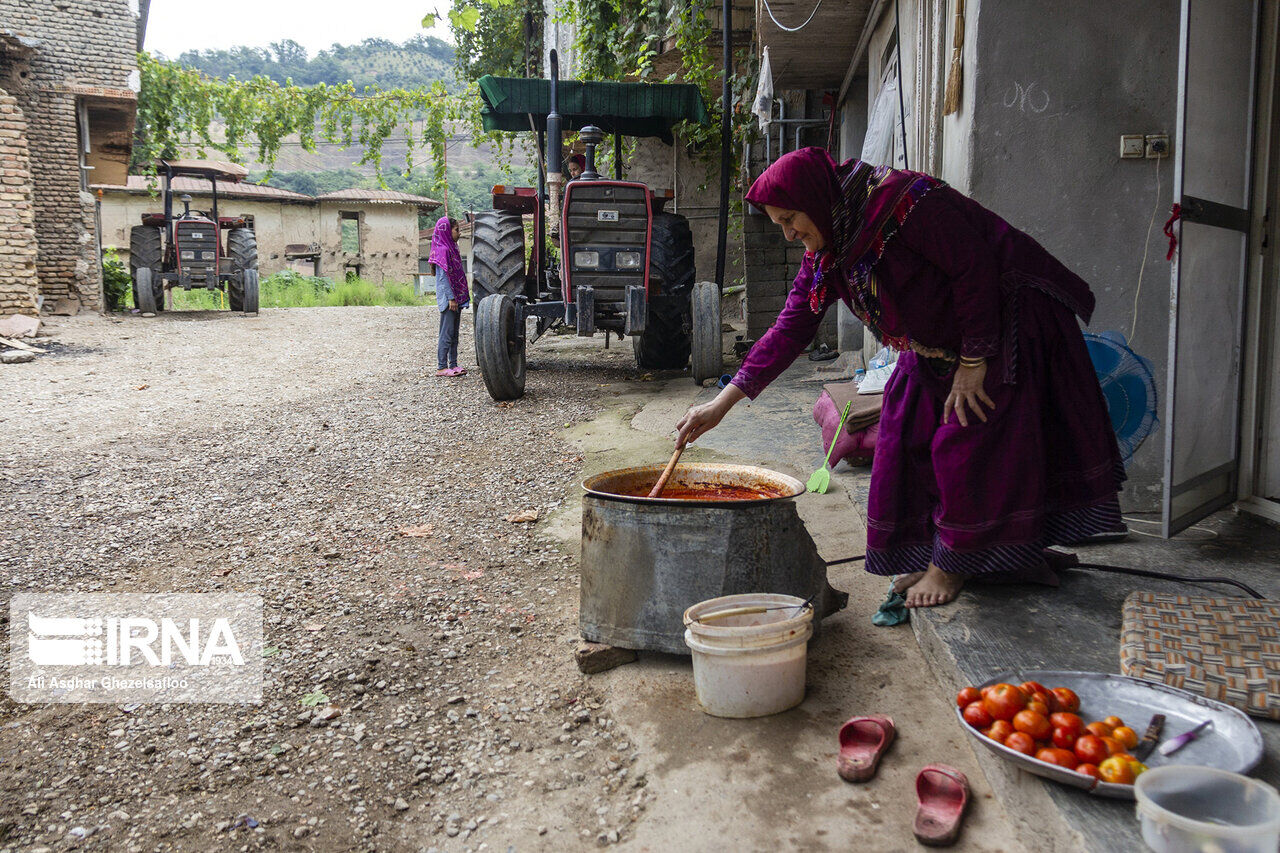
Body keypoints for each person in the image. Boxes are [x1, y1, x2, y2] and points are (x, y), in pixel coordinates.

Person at [676, 148, 1125, 609]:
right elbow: (792, 325)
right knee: (902, 430)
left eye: (791, 218)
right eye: (780, 225)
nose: (791, 234)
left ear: (816, 196)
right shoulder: (832, 243)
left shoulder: (905, 203)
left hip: (1006, 317)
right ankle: (956, 550)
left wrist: (974, 361)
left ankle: (952, 563)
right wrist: (720, 405)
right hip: (936, 342)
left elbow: (974, 267)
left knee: (968, 435)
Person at [428, 217, 469, 377]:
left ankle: (453, 364)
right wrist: (451, 298)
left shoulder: (452, 249)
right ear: (446, 230)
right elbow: (443, 279)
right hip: (449, 300)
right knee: (446, 332)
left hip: (455, 299)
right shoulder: (442, 251)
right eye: (456, 230)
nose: (459, 233)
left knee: (454, 333)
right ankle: (441, 366)